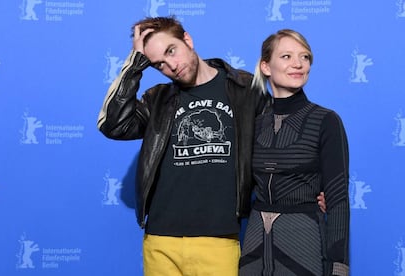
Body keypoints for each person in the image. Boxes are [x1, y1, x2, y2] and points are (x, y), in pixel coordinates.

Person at [97, 16, 326, 276]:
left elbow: (280, 141)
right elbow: (112, 125)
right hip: (160, 240)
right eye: (159, 63)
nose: (171, 65)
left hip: (219, 239)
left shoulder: (245, 89)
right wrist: (135, 64)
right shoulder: (157, 100)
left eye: (172, 51)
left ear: (187, 40)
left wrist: (313, 187)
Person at [239, 29, 350, 276]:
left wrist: (338, 267)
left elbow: (338, 201)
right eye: (287, 56)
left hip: (305, 245)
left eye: (305, 57)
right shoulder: (253, 124)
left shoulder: (326, 121)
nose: (298, 64)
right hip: (254, 247)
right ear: (266, 67)